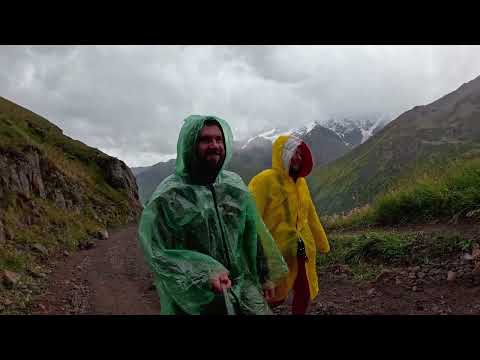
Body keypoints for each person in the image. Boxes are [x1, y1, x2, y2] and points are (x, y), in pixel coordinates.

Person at [138, 115, 287, 315]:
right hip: (197, 296)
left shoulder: (233, 185)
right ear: (190, 145)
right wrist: (204, 272)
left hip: (242, 284)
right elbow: (158, 252)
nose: (215, 145)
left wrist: (264, 276)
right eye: (205, 140)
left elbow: (252, 233)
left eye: (219, 139)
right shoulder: (169, 195)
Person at [248, 134, 330, 315]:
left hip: (302, 248)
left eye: (300, 153)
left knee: (305, 289)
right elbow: (251, 218)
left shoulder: (301, 183)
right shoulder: (264, 180)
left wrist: (321, 241)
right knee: (275, 297)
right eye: (292, 152)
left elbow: (310, 213)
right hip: (275, 252)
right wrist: (255, 253)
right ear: (281, 154)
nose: (297, 157)